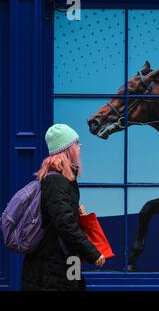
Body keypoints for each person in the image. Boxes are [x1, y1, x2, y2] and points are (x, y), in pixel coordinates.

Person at [22, 124, 105, 291]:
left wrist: (75, 211)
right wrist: (93, 253)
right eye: (76, 144)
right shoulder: (56, 181)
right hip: (52, 266)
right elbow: (65, 225)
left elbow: (60, 216)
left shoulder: (63, 179)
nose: (79, 147)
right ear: (68, 149)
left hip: (65, 260)